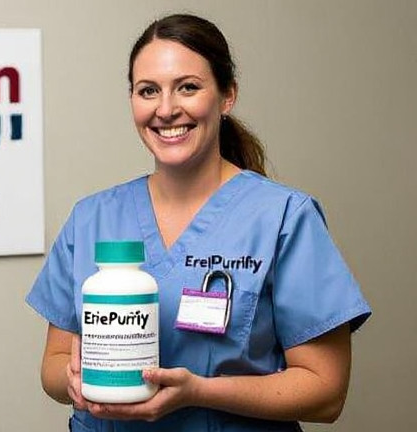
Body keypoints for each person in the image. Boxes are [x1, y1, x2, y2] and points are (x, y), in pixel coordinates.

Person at [25, 13, 371, 432]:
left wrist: (199, 392)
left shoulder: (282, 217)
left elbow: (326, 392)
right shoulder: (91, 218)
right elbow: (53, 364)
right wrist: (75, 381)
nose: (166, 109)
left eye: (188, 87)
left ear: (227, 96)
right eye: (148, 90)